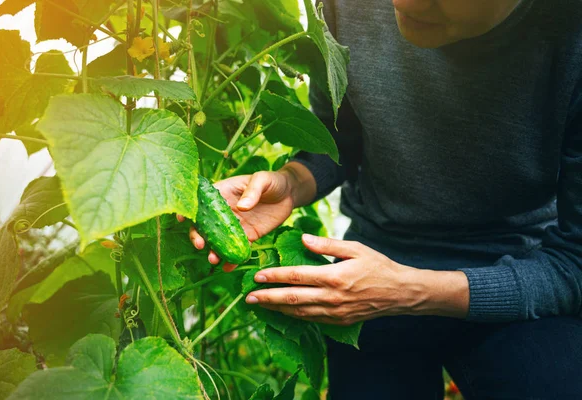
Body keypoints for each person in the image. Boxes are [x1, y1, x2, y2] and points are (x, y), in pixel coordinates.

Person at [181, 0, 582, 398]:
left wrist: (408, 289)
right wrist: (292, 182)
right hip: (364, 275)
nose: (402, 3)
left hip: (521, 274)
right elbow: (339, 136)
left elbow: (575, 263)